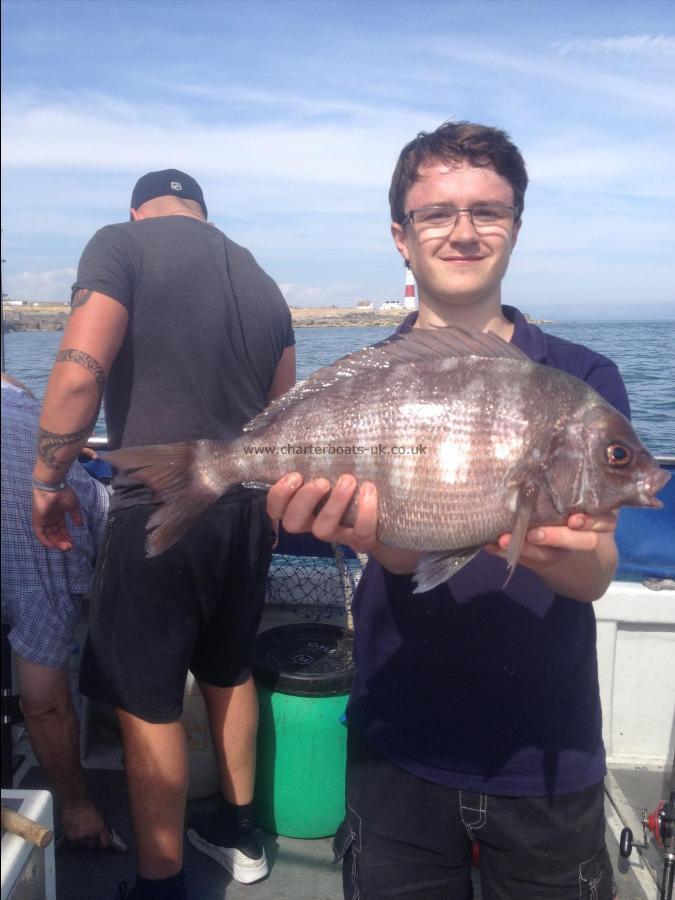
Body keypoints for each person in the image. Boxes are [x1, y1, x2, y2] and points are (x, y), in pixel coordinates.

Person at [267, 122, 625, 899]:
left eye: (486, 211)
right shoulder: (363, 380)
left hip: (546, 750)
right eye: (436, 213)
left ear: (515, 229)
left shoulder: (580, 378)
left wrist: (537, 536)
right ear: (401, 236)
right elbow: (399, 557)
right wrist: (385, 544)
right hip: (395, 744)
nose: (462, 231)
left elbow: (596, 572)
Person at [31, 169, 296, 900]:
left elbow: (80, 375)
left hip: (161, 501)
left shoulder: (119, 244)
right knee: (227, 669)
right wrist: (267, 511)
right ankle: (243, 838)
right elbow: (283, 420)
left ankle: (159, 883)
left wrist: (48, 482)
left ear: (136, 210)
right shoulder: (264, 280)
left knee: (144, 698)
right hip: (246, 506)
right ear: (205, 215)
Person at [1, 373, 117, 848]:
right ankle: (78, 810)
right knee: (44, 695)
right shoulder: (27, 417)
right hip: (34, 510)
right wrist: (61, 456)